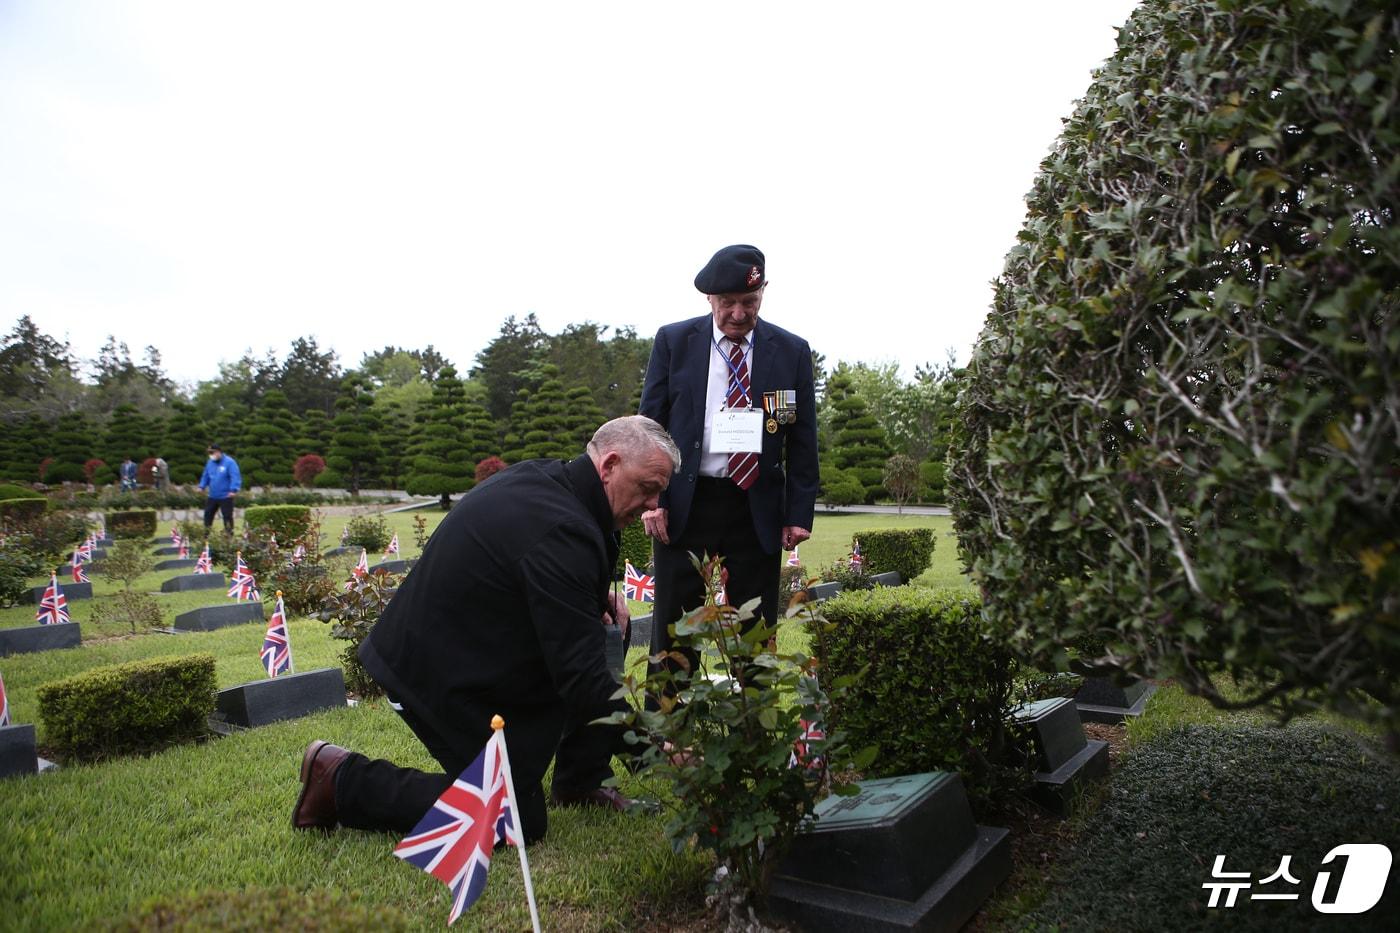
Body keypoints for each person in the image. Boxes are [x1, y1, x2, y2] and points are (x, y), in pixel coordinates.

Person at [291, 416, 681, 845]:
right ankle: (339, 779)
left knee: (604, 628)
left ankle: (580, 780)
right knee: (516, 818)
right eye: (647, 487)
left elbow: (535, 570)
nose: (653, 503)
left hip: (474, 649)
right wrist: (655, 750)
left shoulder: (556, 484)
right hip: (435, 674)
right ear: (609, 465)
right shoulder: (563, 527)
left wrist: (589, 597)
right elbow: (581, 677)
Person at [639, 244, 819, 673]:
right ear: (710, 299)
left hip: (756, 504)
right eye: (728, 302)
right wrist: (653, 499)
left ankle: (752, 714)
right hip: (686, 500)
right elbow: (649, 427)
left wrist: (798, 513)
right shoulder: (674, 342)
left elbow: (802, 438)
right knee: (674, 627)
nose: (738, 313)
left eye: (749, 302)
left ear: (763, 293)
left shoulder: (791, 351)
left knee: (755, 628)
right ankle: (669, 716)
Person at [197, 445, 241, 533]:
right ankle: (206, 536)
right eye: (209, 453)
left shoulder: (229, 462)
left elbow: (235, 476)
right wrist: (201, 486)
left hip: (226, 496)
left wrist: (233, 490)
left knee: (227, 517)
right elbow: (205, 476)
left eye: (212, 452)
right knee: (208, 515)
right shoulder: (210, 463)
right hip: (212, 495)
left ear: (218, 452)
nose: (211, 455)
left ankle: (229, 536)